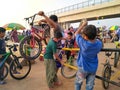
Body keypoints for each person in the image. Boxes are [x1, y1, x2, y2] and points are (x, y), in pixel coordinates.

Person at [74, 19, 103, 90]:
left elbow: (76, 33)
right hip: (93, 69)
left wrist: (83, 25)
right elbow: (98, 41)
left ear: (86, 37)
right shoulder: (99, 44)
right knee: (90, 86)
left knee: (78, 83)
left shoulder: (83, 43)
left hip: (82, 68)